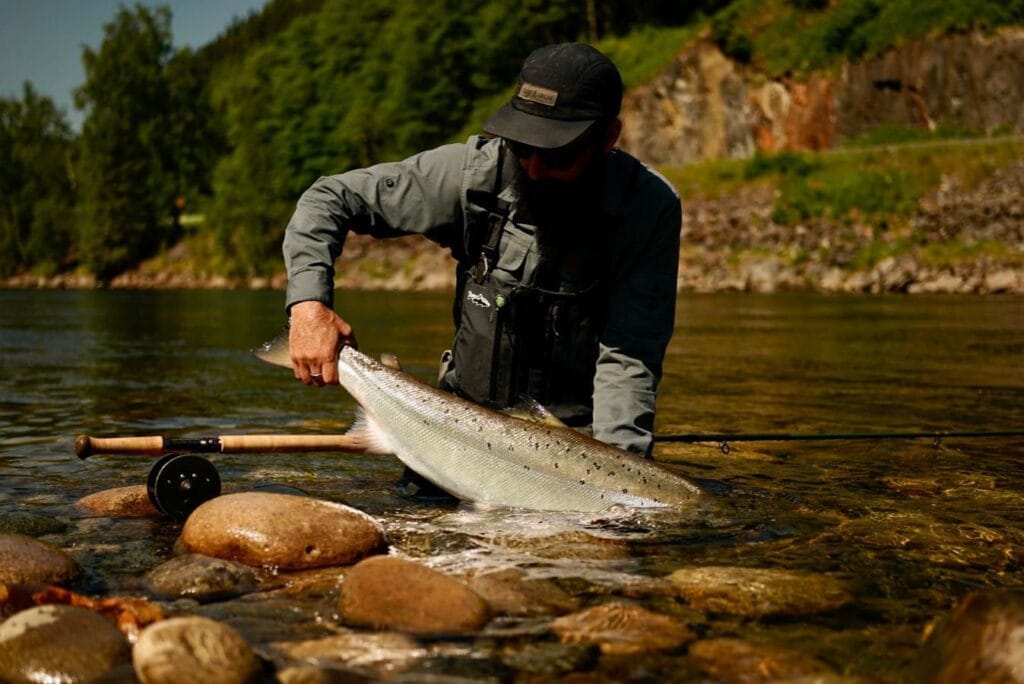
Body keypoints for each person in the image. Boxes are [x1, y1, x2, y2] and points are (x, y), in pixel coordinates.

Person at [283, 42, 681, 459]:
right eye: (522, 146)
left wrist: (620, 469)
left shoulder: (647, 209)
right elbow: (329, 198)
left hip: (572, 447)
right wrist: (309, 307)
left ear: (607, 138)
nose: (532, 168)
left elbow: (629, 356)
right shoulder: (472, 176)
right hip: (454, 432)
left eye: (556, 153)